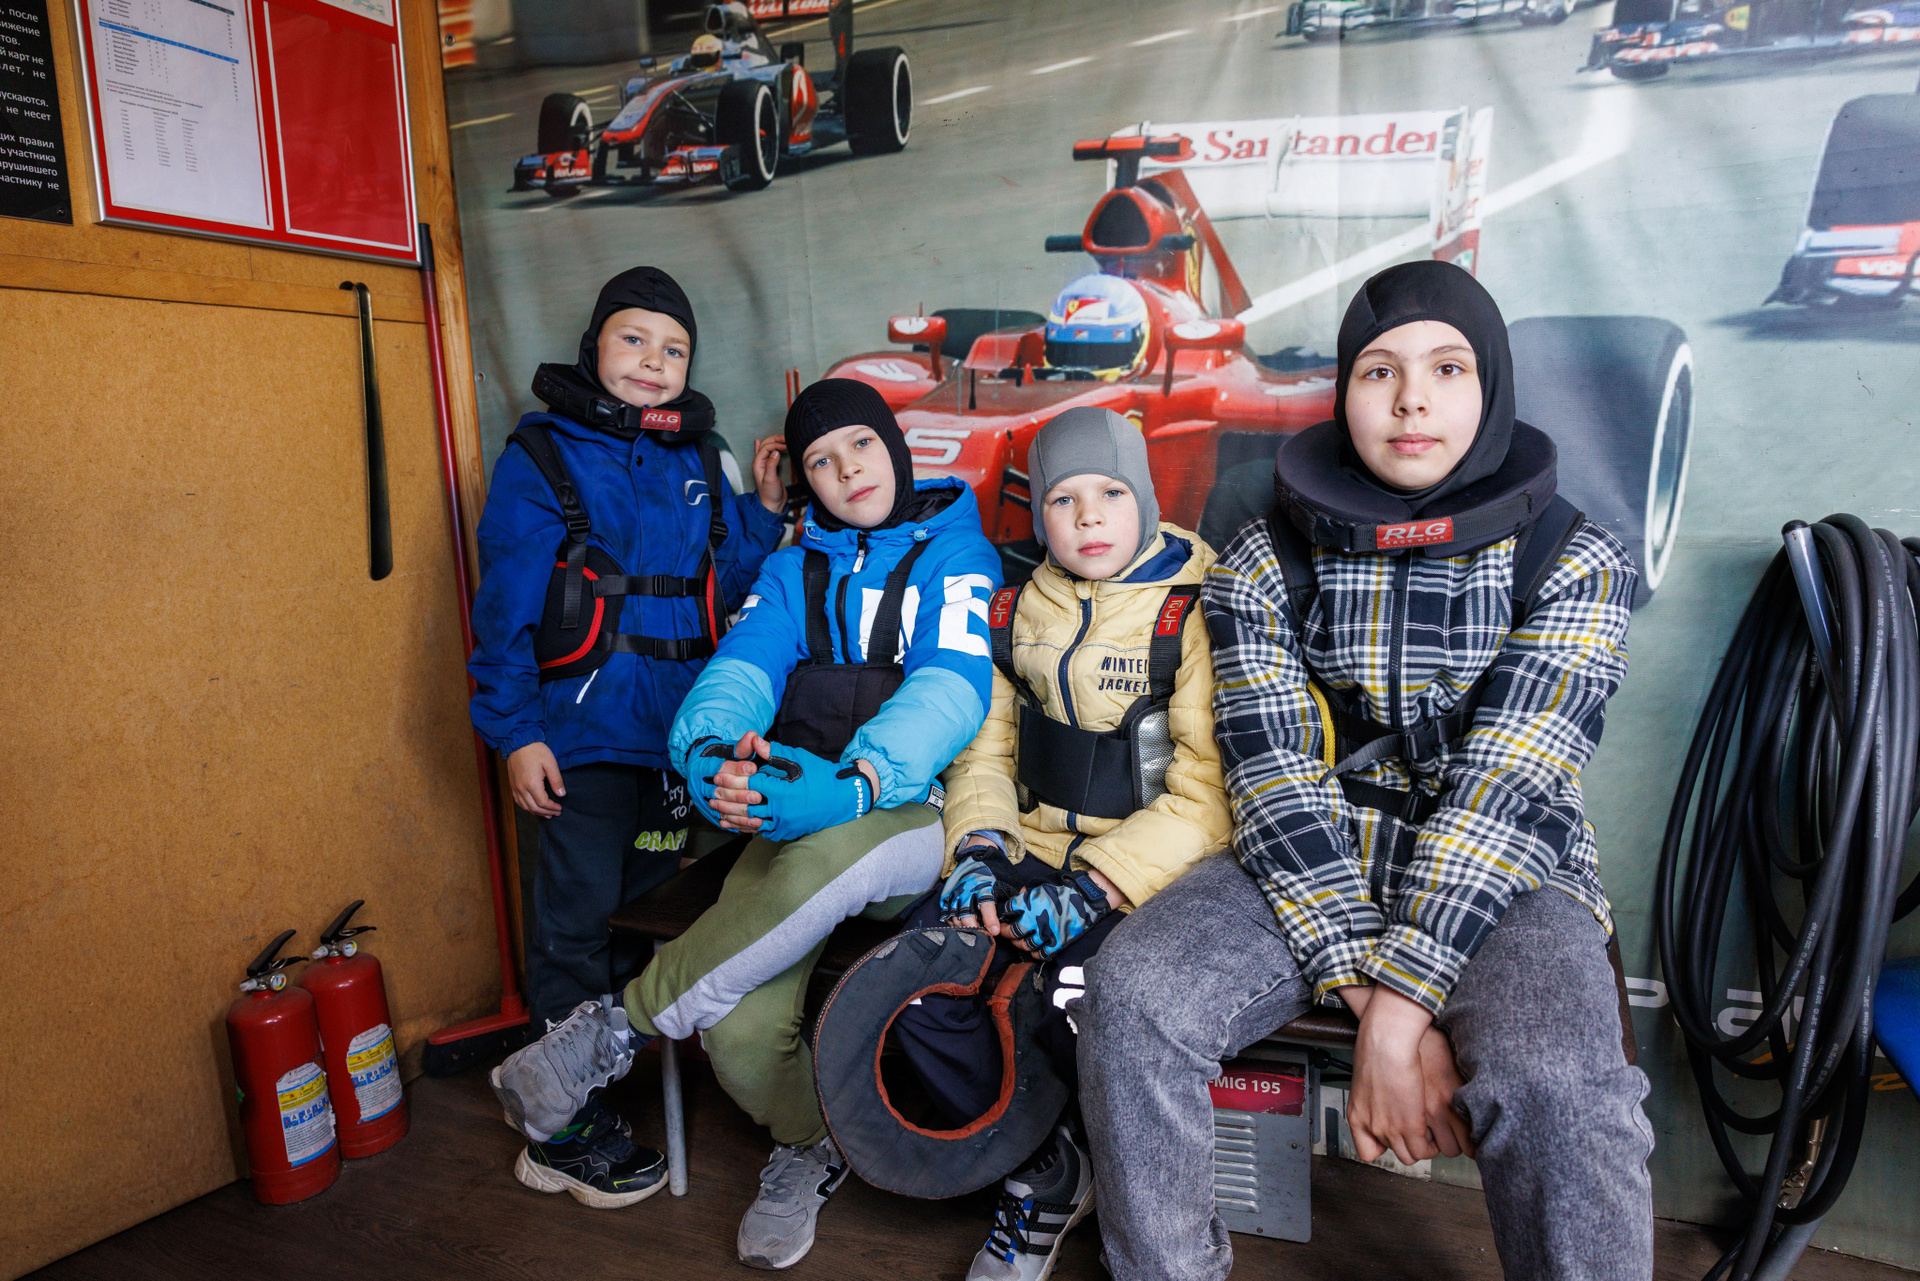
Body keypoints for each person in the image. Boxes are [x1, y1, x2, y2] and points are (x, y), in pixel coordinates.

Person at [1075, 261, 1655, 1281]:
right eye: (1379, 371)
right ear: (1344, 393)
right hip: (1318, 858)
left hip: (1509, 874)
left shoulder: (1575, 556)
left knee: (1560, 1085)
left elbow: (1505, 793)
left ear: (1492, 385)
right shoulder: (1262, 557)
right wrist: (1375, 1002)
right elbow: (1273, 779)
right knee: (1131, 998)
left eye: (1447, 368)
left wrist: (1401, 1007)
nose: (1412, 399)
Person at [489, 378, 1003, 1269]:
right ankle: (812, 1140)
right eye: (822, 461)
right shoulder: (793, 567)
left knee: (820, 861)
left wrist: (855, 784)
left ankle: (617, 1028)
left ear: (894, 448)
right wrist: (713, 758)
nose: (848, 470)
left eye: (861, 445)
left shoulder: (957, 554)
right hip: (792, 807)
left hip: (907, 813)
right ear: (806, 481)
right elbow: (738, 670)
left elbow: (948, 689)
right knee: (735, 1033)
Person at [468, 266, 787, 1206]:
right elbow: (504, 610)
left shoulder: (702, 458)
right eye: (634, 339)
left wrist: (764, 512)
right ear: (594, 346)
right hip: (581, 743)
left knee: (645, 916)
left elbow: (725, 582)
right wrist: (517, 734)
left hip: (674, 744)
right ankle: (556, 1133)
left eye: (674, 349)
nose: (653, 361)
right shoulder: (542, 456)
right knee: (574, 925)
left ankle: (594, 1075)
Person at [891, 406, 1231, 1281]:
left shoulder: (1198, 606)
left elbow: (1210, 795)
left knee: (1078, 1001)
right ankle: (1045, 1168)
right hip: (1030, 847)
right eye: (1062, 499)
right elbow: (985, 754)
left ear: (1145, 495)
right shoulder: (1014, 607)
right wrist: (977, 849)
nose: (1088, 518)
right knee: (917, 987)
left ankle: (1089, 1172)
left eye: (1110, 493)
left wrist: (1096, 888)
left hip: (1141, 871)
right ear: (1036, 510)